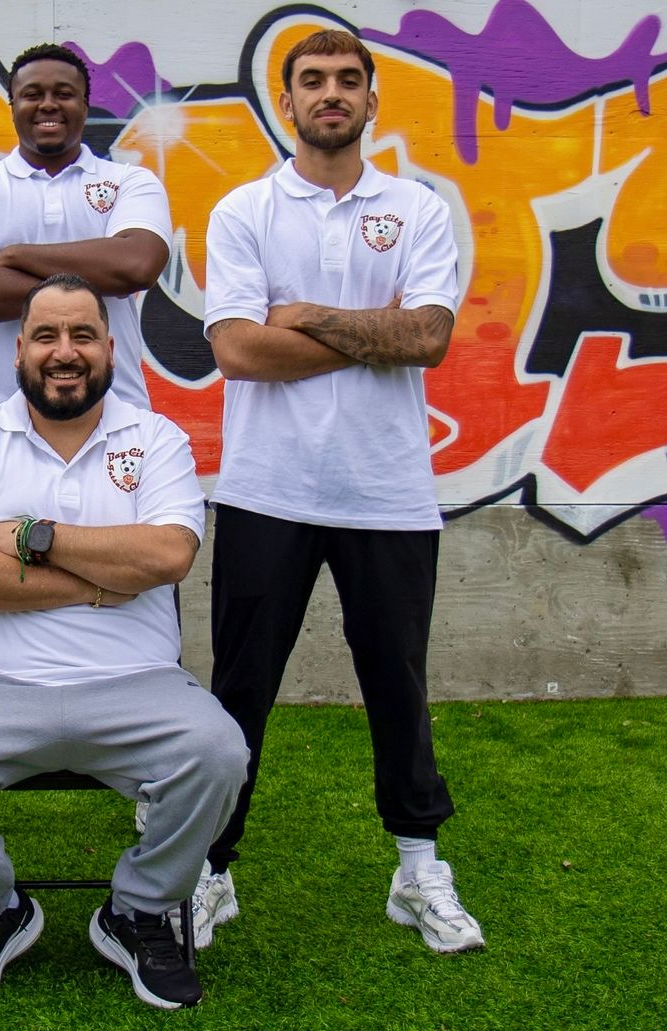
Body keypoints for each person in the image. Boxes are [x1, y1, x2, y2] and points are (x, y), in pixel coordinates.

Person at [193, 28, 484, 954]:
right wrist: (372, 328)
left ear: (371, 100)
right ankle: (210, 868)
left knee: (396, 685)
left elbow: (430, 337)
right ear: (286, 103)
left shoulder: (418, 209)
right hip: (264, 490)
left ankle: (417, 869)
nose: (331, 94)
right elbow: (239, 349)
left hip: (387, 493)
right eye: (312, 81)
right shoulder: (244, 210)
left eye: (347, 81)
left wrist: (305, 316)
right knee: (241, 688)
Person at [0, 274, 247, 1009]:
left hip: (138, 682)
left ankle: (139, 908)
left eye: (82, 335)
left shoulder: (156, 438)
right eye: (47, 336)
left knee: (219, 751)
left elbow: (167, 557)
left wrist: (33, 537)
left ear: (110, 349)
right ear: (19, 350)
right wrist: (95, 583)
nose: (65, 352)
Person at [0, 44, 172, 421]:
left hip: (115, 423)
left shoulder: (131, 182)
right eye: (32, 95)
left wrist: (14, 256)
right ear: (13, 107)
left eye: (64, 94)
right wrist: (95, 279)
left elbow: (135, 266)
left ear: (85, 106)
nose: (48, 104)